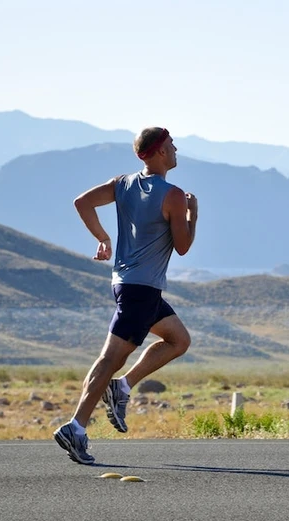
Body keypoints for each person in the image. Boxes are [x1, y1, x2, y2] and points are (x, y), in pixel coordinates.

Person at [53, 127, 198, 465]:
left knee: (178, 340)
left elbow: (82, 202)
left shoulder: (123, 183)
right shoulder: (174, 196)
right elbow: (183, 246)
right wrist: (193, 213)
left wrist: (103, 238)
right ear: (160, 151)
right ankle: (75, 427)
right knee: (110, 358)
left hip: (128, 284)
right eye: (172, 146)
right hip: (142, 290)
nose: (176, 150)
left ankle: (122, 387)